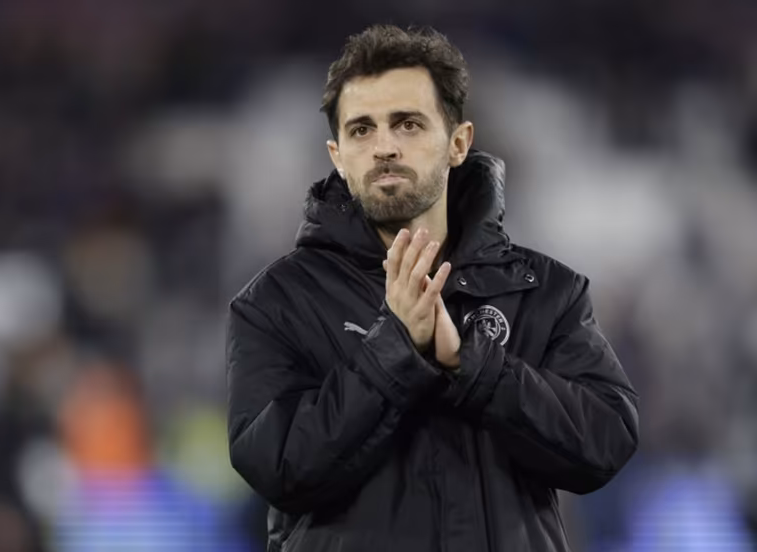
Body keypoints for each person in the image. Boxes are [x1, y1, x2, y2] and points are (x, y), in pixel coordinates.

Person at [225, 24, 639, 552]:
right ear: (337, 155)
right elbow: (277, 466)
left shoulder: (544, 291)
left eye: (408, 124)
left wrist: (474, 366)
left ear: (458, 143)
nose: (384, 147)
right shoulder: (275, 303)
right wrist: (394, 347)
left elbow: (607, 440)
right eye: (361, 130)